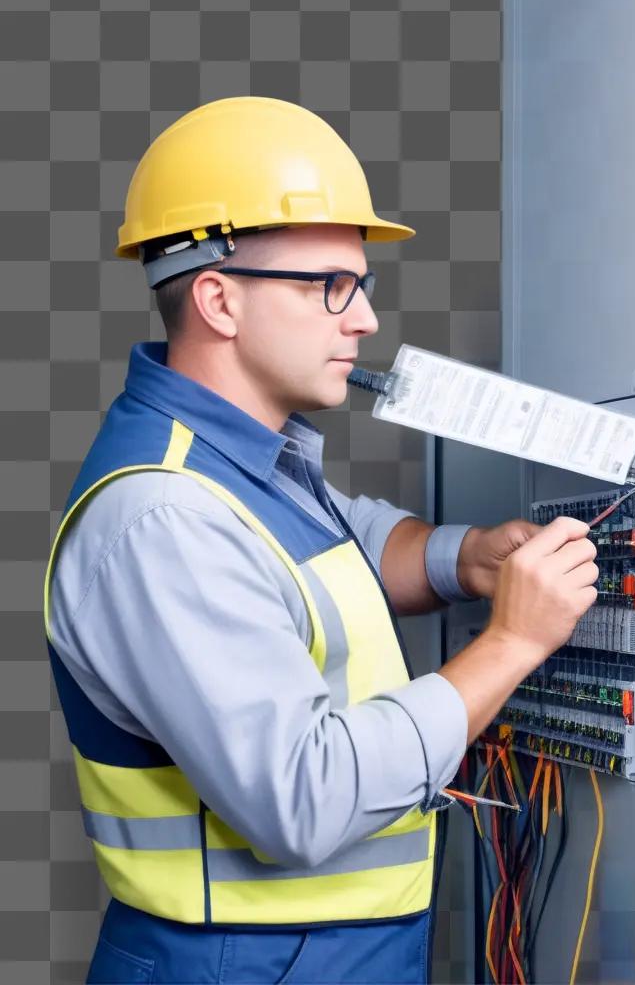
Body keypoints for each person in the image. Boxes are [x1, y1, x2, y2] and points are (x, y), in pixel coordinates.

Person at [43, 96, 599, 985]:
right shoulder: (164, 517)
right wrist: (514, 643)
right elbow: (302, 800)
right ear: (220, 299)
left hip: (322, 954)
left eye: (361, 286)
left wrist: (471, 557)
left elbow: (352, 545)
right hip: (240, 966)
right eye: (330, 286)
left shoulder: (245, 466)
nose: (364, 320)